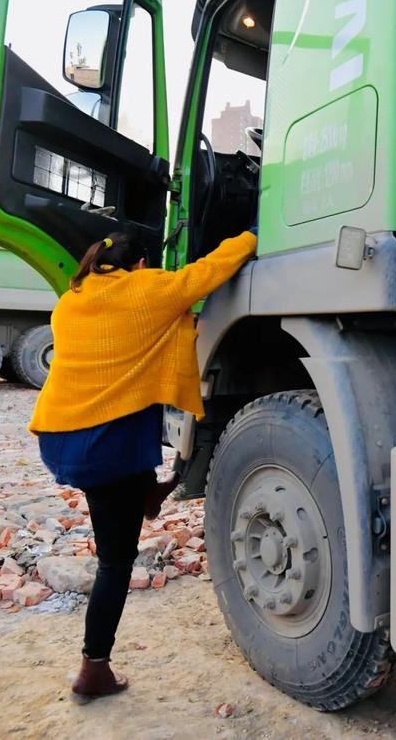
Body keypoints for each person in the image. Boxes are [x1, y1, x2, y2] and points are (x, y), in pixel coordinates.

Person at [29, 229, 257, 702]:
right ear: (140, 265)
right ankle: (94, 669)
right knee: (114, 563)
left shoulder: (69, 301)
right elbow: (210, 270)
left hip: (60, 437)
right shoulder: (149, 289)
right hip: (104, 446)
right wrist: (253, 233)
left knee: (132, 428)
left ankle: (147, 493)